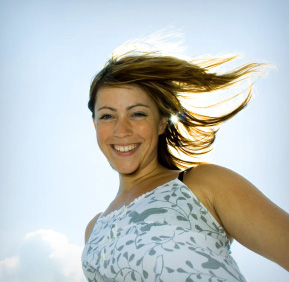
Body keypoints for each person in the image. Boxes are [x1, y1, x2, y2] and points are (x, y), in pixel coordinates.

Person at [81, 39, 289, 282]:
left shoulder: (204, 183)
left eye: (137, 113)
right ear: (95, 124)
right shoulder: (93, 230)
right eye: (107, 116)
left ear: (161, 122)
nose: (121, 130)